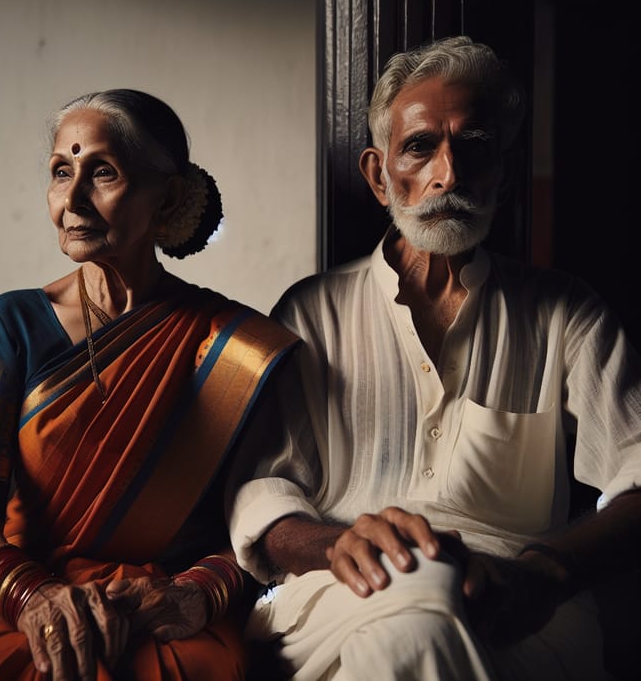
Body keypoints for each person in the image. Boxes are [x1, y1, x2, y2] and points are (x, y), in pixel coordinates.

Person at [227, 36, 641, 680]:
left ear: (502, 173)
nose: (448, 175)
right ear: (379, 174)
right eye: (420, 146)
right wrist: (340, 544)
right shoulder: (311, 314)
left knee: (415, 623)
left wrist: (543, 571)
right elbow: (263, 493)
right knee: (418, 601)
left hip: (520, 607)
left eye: (474, 148)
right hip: (340, 594)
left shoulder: (564, 313)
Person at [0, 88, 298, 680]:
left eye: (101, 171)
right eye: (61, 172)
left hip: (168, 606)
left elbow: (258, 521)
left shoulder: (231, 345)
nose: (72, 199)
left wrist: (195, 595)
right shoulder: (10, 323)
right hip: (26, 597)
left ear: (170, 198)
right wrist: (35, 599)